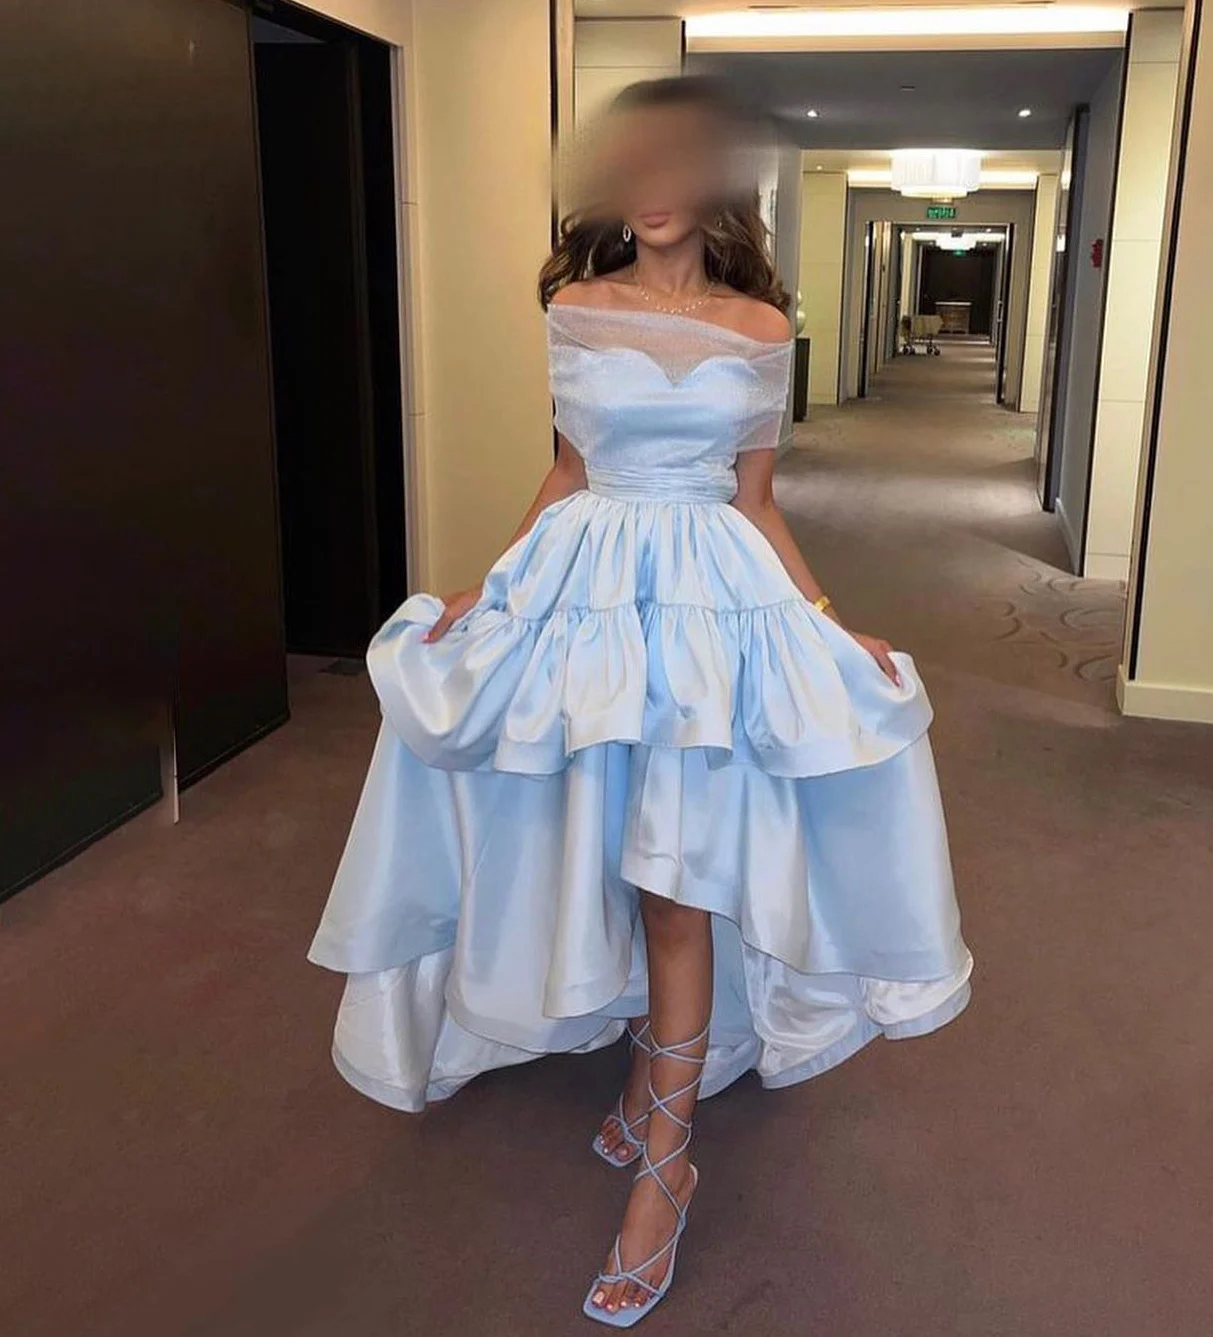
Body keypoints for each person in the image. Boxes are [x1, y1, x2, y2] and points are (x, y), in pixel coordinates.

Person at [309, 76, 972, 1327]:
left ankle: (667, 1154)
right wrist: (490, 586)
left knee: (677, 881)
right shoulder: (573, 305)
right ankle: (643, 1079)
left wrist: (828, 622)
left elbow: (755, 498)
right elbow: (568, 470)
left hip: (707, 606)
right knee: (595, 847)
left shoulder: (762, 324)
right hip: (587, 595)